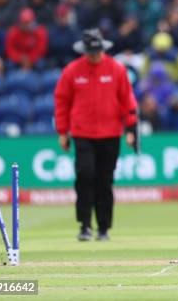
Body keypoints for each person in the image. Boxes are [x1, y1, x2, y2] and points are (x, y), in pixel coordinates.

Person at [54, 29, 138, 242]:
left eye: (97, 51)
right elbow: (62, 102)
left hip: (110, 133)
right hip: (83, 132)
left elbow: (127, 100)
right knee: (85, 176)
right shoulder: (72, 71)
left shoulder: (116, 69)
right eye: (90, 52)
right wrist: (62, 132)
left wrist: (131, 130)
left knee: (104, 180)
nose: (94, 55)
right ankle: (84, 225)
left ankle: (103, 228)